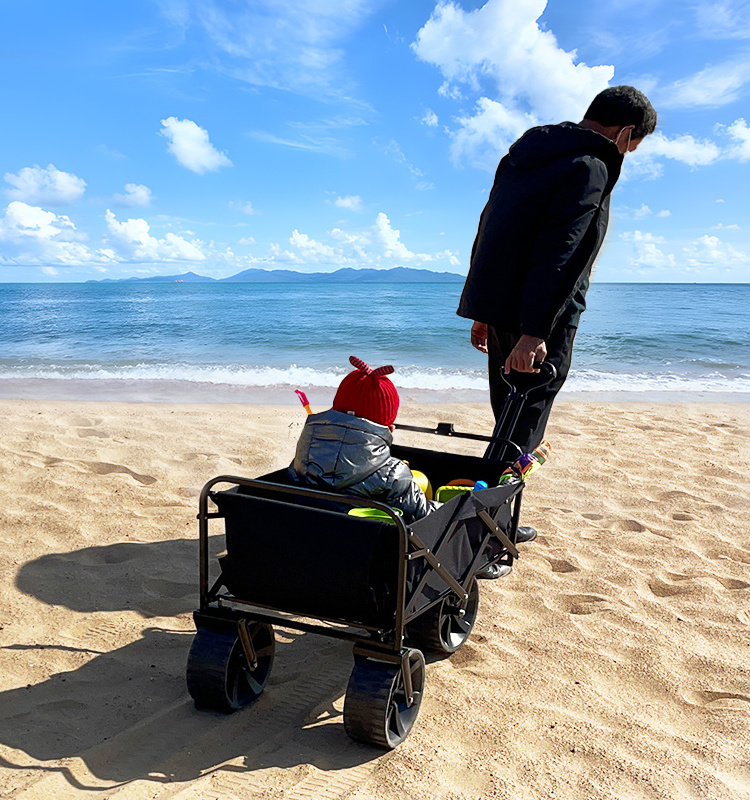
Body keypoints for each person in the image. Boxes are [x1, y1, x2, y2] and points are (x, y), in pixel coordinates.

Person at [458, 84, 657, 458]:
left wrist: (483, 311)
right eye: (633, 145)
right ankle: (485, 516)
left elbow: (489, 229)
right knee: (522, 429)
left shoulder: (522, 157)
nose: (629, 154)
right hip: (542, 319)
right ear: (626, 132)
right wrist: (535, 331)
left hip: (501, 310)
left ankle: (493, 515)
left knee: (508, 419)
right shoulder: (590, 167)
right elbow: (563, 253)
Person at [288, 356, 435, 523]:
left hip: (304, 529)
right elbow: (425, 518)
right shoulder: (392, 473)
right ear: (387, 427)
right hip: (367, 544)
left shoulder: (305, 451)